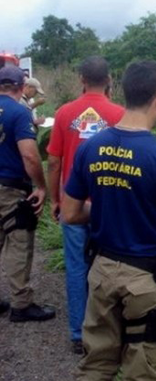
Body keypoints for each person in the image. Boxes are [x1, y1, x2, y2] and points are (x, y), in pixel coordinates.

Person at [61, 60, 156, 381]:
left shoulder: (91, 146)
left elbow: (70, 213)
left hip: (102, 269)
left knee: (96, 363)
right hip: (145, 282)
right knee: (141, 375)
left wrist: (109, 204)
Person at [46, 56, 124, 354]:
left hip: (74, 205)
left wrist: (56, 199)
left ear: (81, 79)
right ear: (109, 80)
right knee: (108, 266)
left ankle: (78, 334)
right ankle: (106, 329)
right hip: (109, 206)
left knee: (77, 266)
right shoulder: (119, 114)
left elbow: (54, 162)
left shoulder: (65, 114)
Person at [0, 65, 55, 322]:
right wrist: (42, 186)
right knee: (18, 241)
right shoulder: (19, 113)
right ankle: (21, 304)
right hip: (10, 187)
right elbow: (30, 156)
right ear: (22, 88)